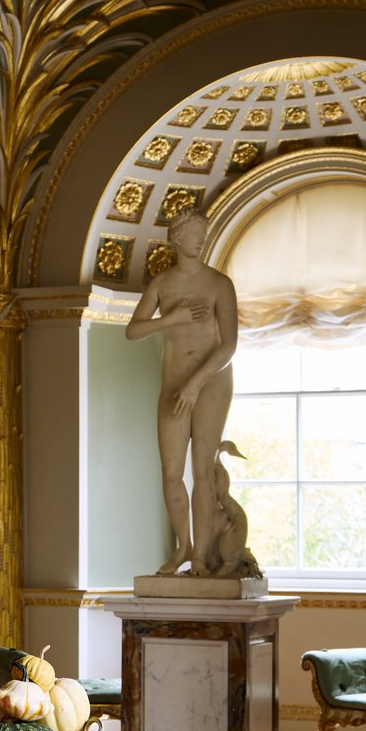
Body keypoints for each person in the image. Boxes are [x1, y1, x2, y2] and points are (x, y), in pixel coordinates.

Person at [125, 209, 238, 576]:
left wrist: (196, 383)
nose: (202, 241)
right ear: (177, 240)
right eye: (195, 234)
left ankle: (203, 556)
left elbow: (229, 347)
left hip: (212, 382)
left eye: (204, 234)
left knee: (203, 470)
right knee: (171, 471)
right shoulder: (162, 285)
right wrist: (172, 318)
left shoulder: (220, 284)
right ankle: (183, 547)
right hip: (174, 383)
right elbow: (133, 331)